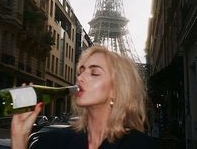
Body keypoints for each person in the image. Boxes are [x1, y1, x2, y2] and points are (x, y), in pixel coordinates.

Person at [11, 46, 158, 149]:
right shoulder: (51, 142)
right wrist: (20, 137)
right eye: (80, 72)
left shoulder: (140, 145)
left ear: (116, 89)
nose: (80, 78)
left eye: (94, 73)